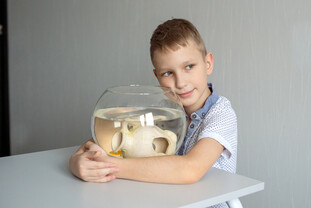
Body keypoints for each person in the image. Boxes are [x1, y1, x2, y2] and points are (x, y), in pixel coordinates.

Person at [69, 19, 238, 205]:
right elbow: (99, 141)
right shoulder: (164, 111)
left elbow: (190, 169)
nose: (181, 83)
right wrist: (77, 163)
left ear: (208, 63)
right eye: (168, 73)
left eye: (189, 66)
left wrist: (110, 166)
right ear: (157, 76)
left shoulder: (222, 114)